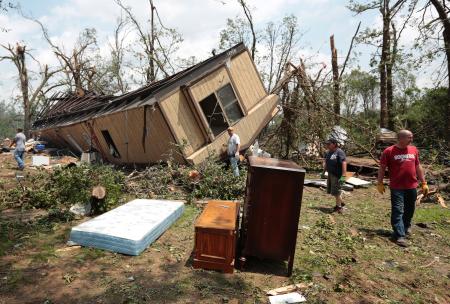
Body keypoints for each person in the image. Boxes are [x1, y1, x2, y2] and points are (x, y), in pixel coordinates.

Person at [377, 129, 428, 247]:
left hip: (412, 185)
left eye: (412, 137)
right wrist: (379, 183)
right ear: (400, 138)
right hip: (397, 187)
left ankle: (406, 226)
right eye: (409, 137)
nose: (411, 139)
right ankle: (399, 235)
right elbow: (382, 168)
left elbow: (418, 166)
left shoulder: (414, 149)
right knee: (398, 210)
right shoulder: (388, 151)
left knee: (410, 208)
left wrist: (423, 182)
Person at [323, 138, 347, 213]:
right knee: (333, 191)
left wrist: (343, 176)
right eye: (327, 144)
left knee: (337, 191)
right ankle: (341, 202)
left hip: (337, 175)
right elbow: (326, 163)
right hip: (330, 174)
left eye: (329, 144)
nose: (327, 145)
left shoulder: (339, 152)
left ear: (334, 144)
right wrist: (323, 172)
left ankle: (338, 207)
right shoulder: (328, 152)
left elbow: (344, 163)